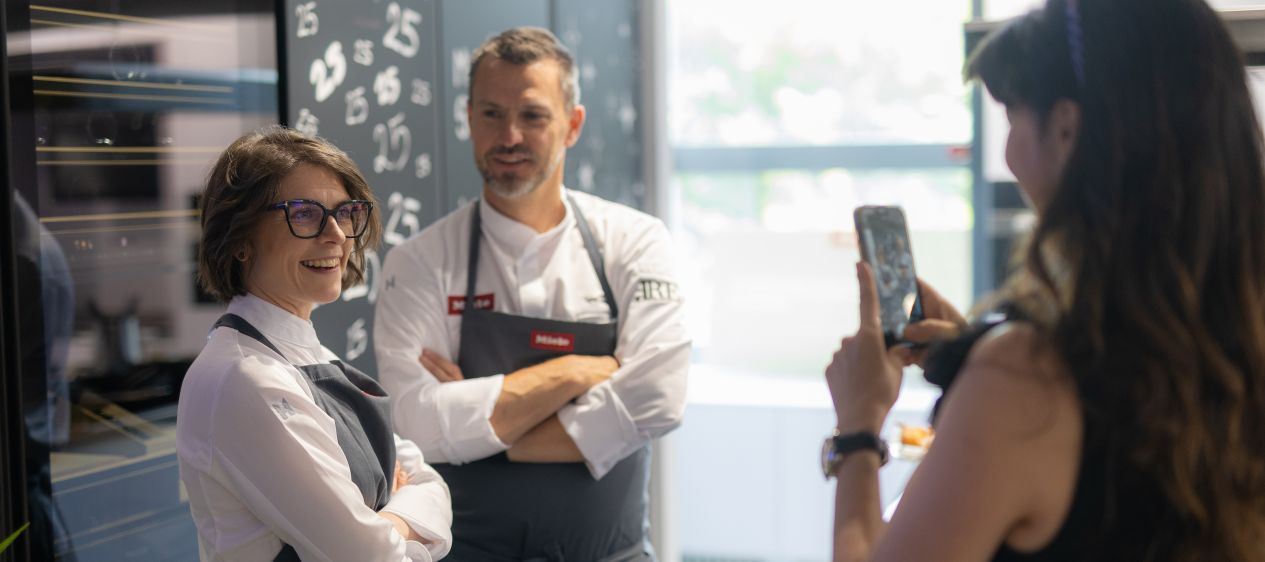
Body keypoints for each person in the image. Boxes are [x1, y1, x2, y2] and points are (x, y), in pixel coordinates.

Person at [823, 0, 1265, 560]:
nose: (1008, 154)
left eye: (1012, 118)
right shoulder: (1234, 341)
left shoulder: (1024, 380)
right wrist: (972, 357)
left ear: (1065, 128)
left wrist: (859, 429)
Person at [374, 27, 688, 561]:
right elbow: (415, 424)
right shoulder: (419, 262)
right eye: (491, 114)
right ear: (469, 118)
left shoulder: (635, 241)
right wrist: (576, 373)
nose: (510, 135)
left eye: (533, 116)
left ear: (573, 124)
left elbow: (658, 397)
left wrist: (484, 429)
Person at [177, 127, 452, 562]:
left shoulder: (309, 357)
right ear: (240, 238)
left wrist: (387, 522)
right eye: (304, 213)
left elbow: (432, 484)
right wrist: (402, 517)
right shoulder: (243, 378)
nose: (337, 235)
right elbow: (371, 558)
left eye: (345, 213)